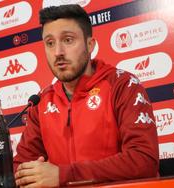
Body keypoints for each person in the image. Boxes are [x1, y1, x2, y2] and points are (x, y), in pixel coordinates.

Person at [14, 4, 159, 187]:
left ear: (90, 45)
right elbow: (20, 168)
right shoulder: (42, 101)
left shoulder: (123, 86)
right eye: (50, 43)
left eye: (68, 40)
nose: (58, 52)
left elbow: (143, 160)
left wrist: (63, 175)